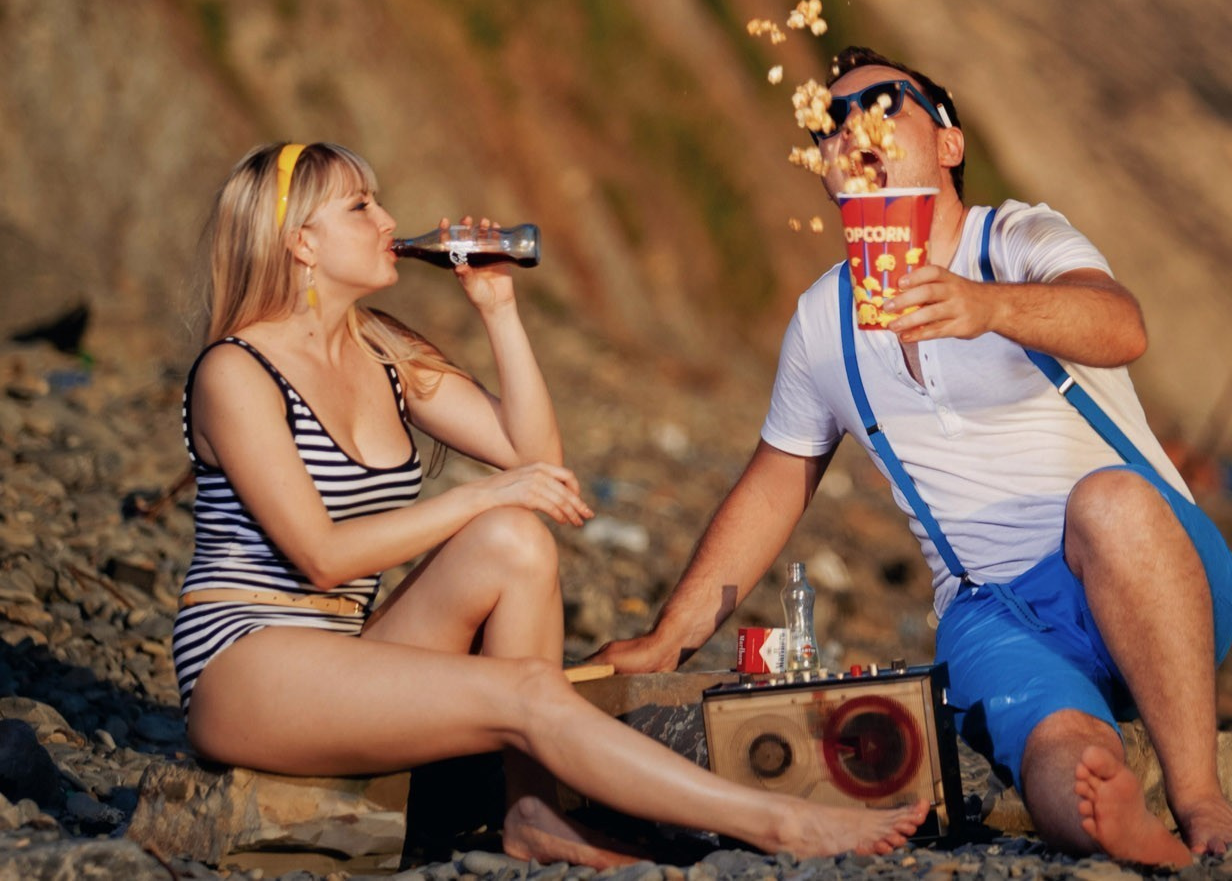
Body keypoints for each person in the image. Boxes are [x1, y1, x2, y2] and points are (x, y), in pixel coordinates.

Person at [173, 142, 925, 867]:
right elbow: (321, 556)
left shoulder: (382, 352)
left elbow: (535, 463)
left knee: (515, 537)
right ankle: (779, 822)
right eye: (360, 205)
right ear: (302, 242)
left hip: (345, 648)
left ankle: (532, 811)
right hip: (247, 661)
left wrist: (498, 307)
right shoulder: (238, 371)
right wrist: (478, 493)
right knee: (528, 683)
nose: (386, 219)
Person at [597, 49, 1232, 866]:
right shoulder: (823, 322)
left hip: (1153, 573)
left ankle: (1200, 797)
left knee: (1109, 503)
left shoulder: (1014, 239)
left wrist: (988, 307)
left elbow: (1122, 328)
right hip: (991, 609)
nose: (852, 127)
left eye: (881, 102)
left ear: (948, 143)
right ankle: (1110, 819)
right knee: (1061, 753)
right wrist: (669, 638)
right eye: (828, 121)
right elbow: (775, 486)